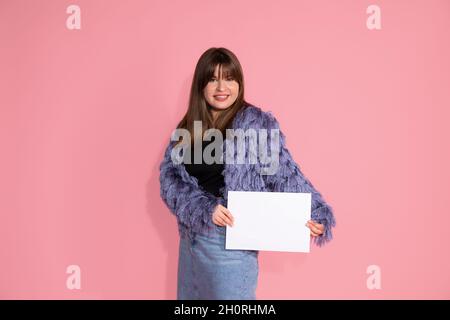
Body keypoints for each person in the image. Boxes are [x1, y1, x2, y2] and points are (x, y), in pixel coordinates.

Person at [159, 47, 336, 300]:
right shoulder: (189, 126)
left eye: (229, 78)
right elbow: (170, 177)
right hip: (190, 242)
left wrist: (315, 210)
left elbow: (284, 173)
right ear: (201, 85)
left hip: (230, 242)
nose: (222, 87)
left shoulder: (254, 123)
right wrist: (200, 206)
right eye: (213, 79)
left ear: (239, 83)